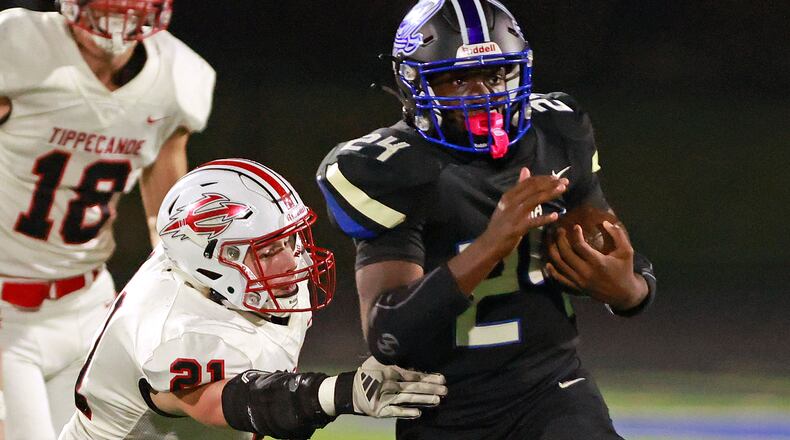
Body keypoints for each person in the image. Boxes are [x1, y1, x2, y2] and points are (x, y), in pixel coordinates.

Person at [316, 0, 657, 439]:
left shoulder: (556, 134)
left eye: (493, 74)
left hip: (552, 394)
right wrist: (490, 245)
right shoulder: (391, 169)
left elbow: (622, 260)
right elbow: (390, 339)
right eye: (458, 79)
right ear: (413, 82)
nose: (482, 94)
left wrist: (629, 289)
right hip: (443, 411)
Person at [57, 158, 447, 440]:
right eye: (266, 249)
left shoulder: (206, 270)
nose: (293, 259)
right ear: (213, 260)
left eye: (289, 239)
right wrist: (341, 393)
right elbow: (219, 403)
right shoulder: (172, 327)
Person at [0, 1, 215, 438]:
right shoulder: (17, 46)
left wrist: (185, 296)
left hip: (92, 304)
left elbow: (167, 217)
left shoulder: (178, 78)